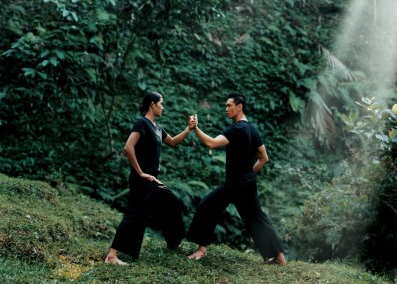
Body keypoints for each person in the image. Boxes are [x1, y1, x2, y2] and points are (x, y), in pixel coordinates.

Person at [186, 93, 286, 265]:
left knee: (206, 206)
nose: (226, 109)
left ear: (239, 107)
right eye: (226, 106)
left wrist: (195, 129)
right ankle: (279, 257)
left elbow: (211, 143)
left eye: (229, 105)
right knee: (256, 218)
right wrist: (249, 174)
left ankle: (201, 250)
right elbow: (264, 158)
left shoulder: (236, 129)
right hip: (246, 182)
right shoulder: (252, 129)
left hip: (235, 183)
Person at [105, 91, 198, 265]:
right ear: (152, 105)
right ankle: (111, 255)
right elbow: (128, 147)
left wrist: (189, 129)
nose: (162, 107)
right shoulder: (142, 123)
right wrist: (140, 172)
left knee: (170, 201)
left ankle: (173, 243)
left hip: (153, 179)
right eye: (160, 103)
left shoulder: (157, 128)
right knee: (135, 214)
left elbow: (173, 142)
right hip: (142, 178)